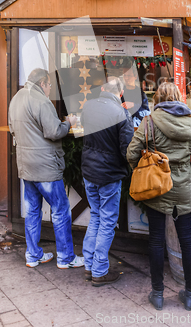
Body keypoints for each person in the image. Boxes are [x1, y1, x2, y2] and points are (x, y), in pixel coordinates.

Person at [127, 82, 191, 311]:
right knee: (186, 239)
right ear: (178, 96)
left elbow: (131, 153)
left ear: (158, 99)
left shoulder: (149, 122)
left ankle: (158, 294)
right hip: (182, 189)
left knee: (156, 239)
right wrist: (182, 176)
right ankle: (190, 294)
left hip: (156, 187)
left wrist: (145, 170)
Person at [8, 68, 84, 269]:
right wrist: (68, 123)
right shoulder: (41, 100)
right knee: (60, 210)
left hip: (26, 166)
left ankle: (33, 256)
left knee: (32, 211)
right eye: (49, 84)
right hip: (46, 167)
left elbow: (12, 128)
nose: (50, 88)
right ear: (42, 83)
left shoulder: (16, 98)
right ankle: (65, 257)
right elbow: (53, 132)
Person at [81, 76, 134, 286]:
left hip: (89, 170)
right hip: (109, 174)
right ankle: (100, 270)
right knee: (108, 221)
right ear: (120, 93)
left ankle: (89, 265)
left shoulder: (88, 106)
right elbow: (127, 149)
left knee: (95, 216)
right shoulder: (121, 113)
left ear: (103, 88)